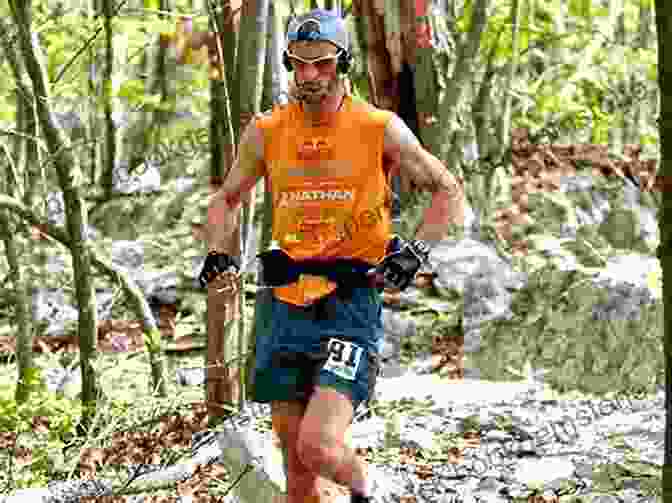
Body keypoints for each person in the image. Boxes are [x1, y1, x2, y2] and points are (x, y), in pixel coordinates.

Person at [199, 8, 465, 503]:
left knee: (320, 445)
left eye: (321, 64)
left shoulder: (378, 127)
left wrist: (415, 253)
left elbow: (448, 190)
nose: (309, 76)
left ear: (342, 63)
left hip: (351, 304)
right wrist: (219, 252)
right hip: (283, 303)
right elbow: (225, 199)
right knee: (297, 472)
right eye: (298, 64)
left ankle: (371, 488)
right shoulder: (268, 130)